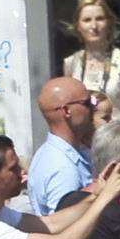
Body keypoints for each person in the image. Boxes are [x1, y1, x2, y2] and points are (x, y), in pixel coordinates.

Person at [26, 75, 101, 214]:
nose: (94, 107)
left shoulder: (66, 153)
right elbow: (66, 225)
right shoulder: (62, 169)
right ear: (67, 111)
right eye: (87, 102)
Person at [64, 0, 120, 123]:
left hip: (119, 135)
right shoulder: (71, 62)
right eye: (87, 20)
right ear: (78, 26)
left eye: (99, 19)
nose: (94, 26)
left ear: (109, 23)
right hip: (85, 138)